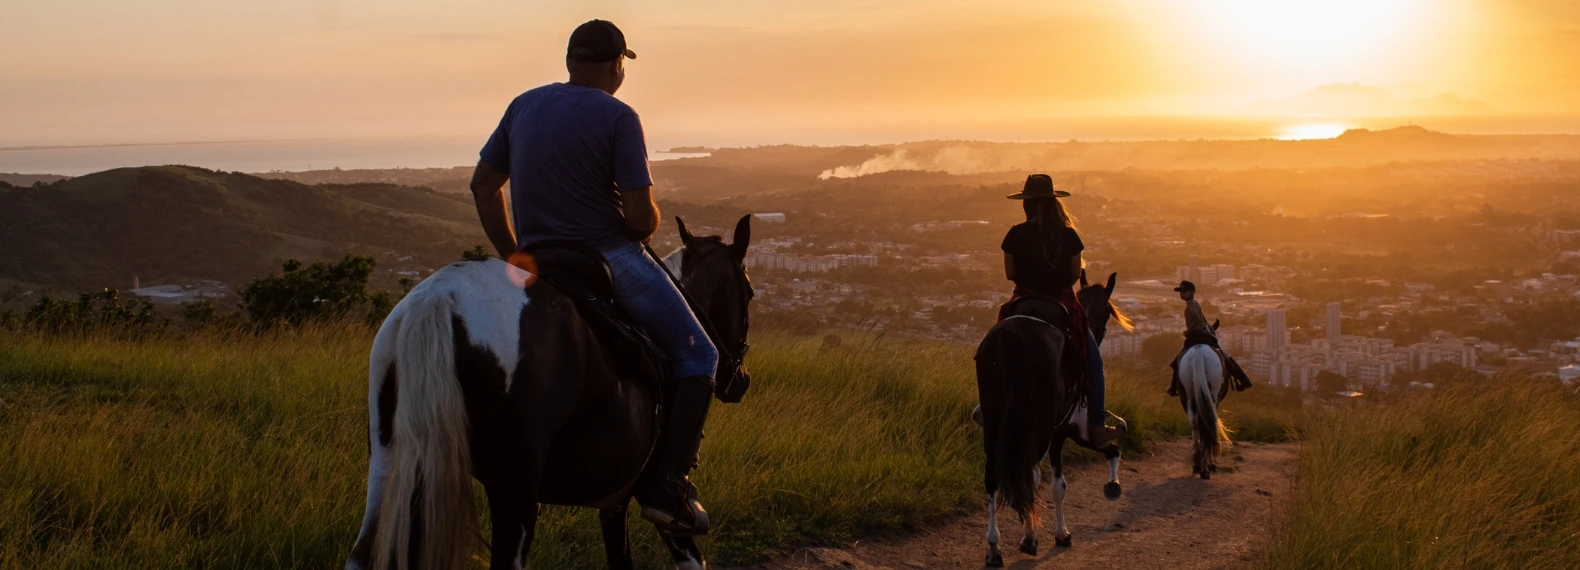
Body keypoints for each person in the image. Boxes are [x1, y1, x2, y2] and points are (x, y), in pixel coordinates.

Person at [467, 19, 717, 536]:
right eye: (622, 63)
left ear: (568, 61)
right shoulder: (619, 116)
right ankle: (666, 485)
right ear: (615, 66)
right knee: (700, 354)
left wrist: (514, 255)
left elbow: (483, 185)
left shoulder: (523, 105)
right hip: (608, 258)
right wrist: (645, 212)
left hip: (540, 260)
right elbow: (640, 221)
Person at [999, 174, 1125, 449]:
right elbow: (1071, 276)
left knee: (997, 346)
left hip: (1023, 300)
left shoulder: (1015, 234)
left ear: (1026, 204)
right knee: (1093, 362)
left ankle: (989, 408)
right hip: (1061, 303)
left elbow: (1011, 274)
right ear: (1054, 202)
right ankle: (1096, 425)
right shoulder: (1069, 235)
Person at [1167, 281, 1251, 396]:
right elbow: (1203, 320)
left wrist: (1188, 331)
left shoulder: (1190, 303)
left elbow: (1197, 319)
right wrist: (1211, 328)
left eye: (1184, 291)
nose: (1182, 294)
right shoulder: (1195, 302)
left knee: (1177, 361)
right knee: (1225, 357)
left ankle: (1173, 387)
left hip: (1195, 335)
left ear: (1191, 292)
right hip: (1205, 333)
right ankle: (1243, 380)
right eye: (1180, 292)